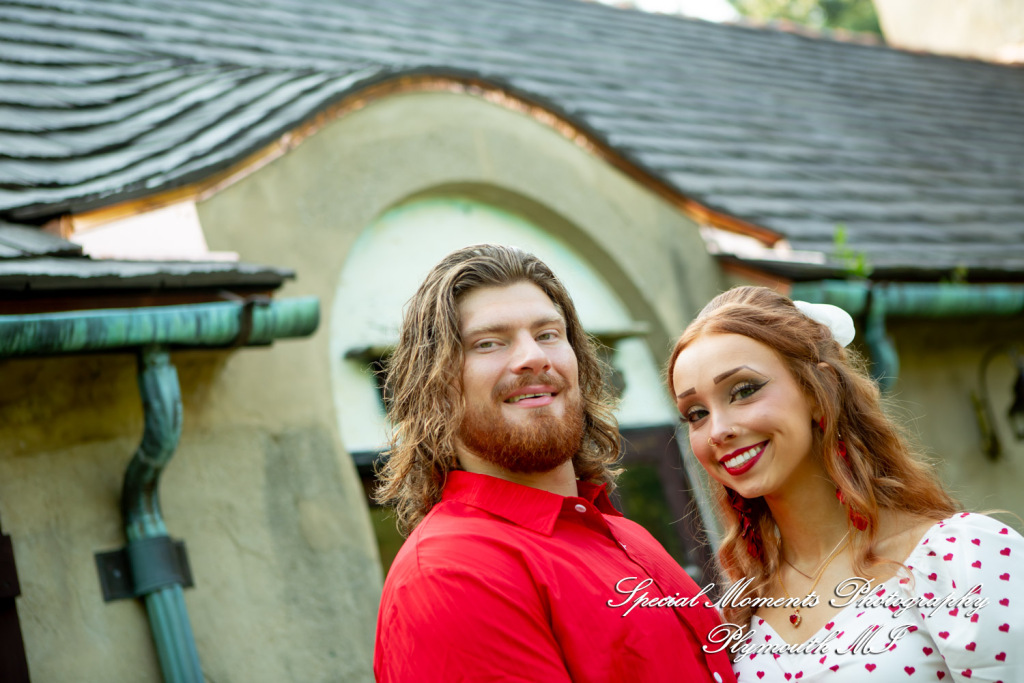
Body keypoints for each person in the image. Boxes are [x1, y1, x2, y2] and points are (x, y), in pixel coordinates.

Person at [373, 244, 736, 683]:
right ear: (436, 387)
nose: (534, 357)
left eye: (547, 334)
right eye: (488, 343)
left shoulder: (623, 534)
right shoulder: (451, 575)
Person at [668, 285, 1024, 682]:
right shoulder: (737, 615)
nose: (718, 430)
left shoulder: (958, 559)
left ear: (818, 390)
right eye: (696, 413)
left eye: (744, 390)